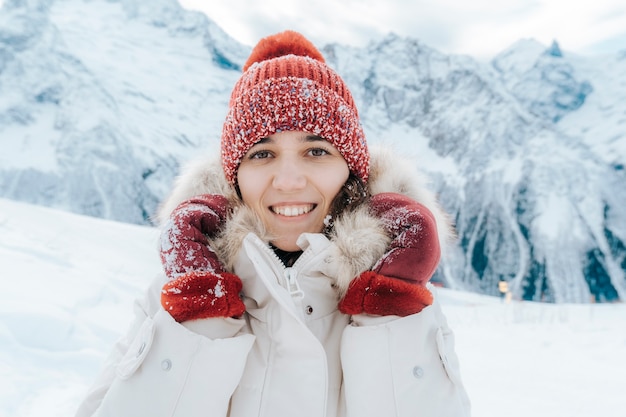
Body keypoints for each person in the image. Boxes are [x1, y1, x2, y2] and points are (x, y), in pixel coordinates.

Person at [75, 30, 471, 417]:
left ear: (350, 171)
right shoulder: (174, 292)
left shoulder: (399, 294)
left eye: (316, 150)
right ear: (234, 176)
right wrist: (200, 311)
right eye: (262, 154)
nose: (288, 181)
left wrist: (390, 308)